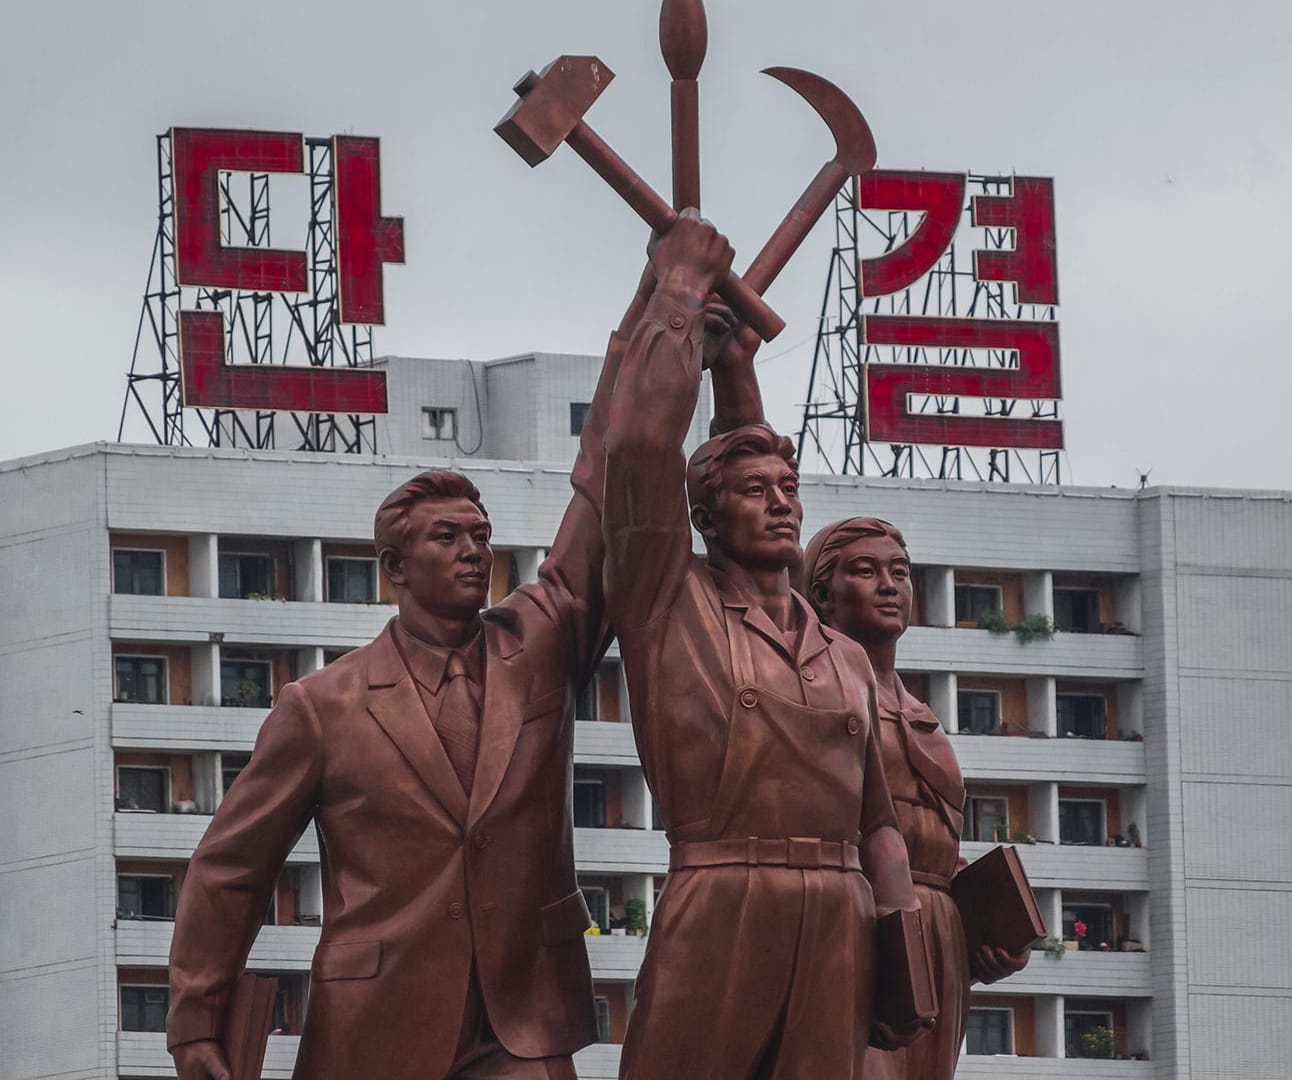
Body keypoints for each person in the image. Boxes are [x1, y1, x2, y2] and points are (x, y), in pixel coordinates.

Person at [165, 255, 673, 1080]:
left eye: (480, 536)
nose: (474, 552)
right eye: (449, 539)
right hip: (379, 1027)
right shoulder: (322, 706)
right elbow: (230, 869)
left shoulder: (538, 645)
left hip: (523, 1023)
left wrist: (659, 317)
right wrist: (195, 1025)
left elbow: (605, 491)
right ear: (393, 568)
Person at [603, 211, 931, 1080]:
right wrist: (678, 289)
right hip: (721, 893)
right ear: (704, 518)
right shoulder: (668, 605)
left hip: (837, 911)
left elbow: (879, 825)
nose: (783, 502)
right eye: (755, 491)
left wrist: (905, 940)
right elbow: (638, 450)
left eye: (789, 487)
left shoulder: (844, 656)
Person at [802, 517, 1031, 1079]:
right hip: (860, 921)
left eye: (899, 573)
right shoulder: (813, 694)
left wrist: (992, 932)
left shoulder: (919, 711)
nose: (889, 584)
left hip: (939, 940)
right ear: (821, 593)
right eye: (865, 570)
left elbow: (932, 843)